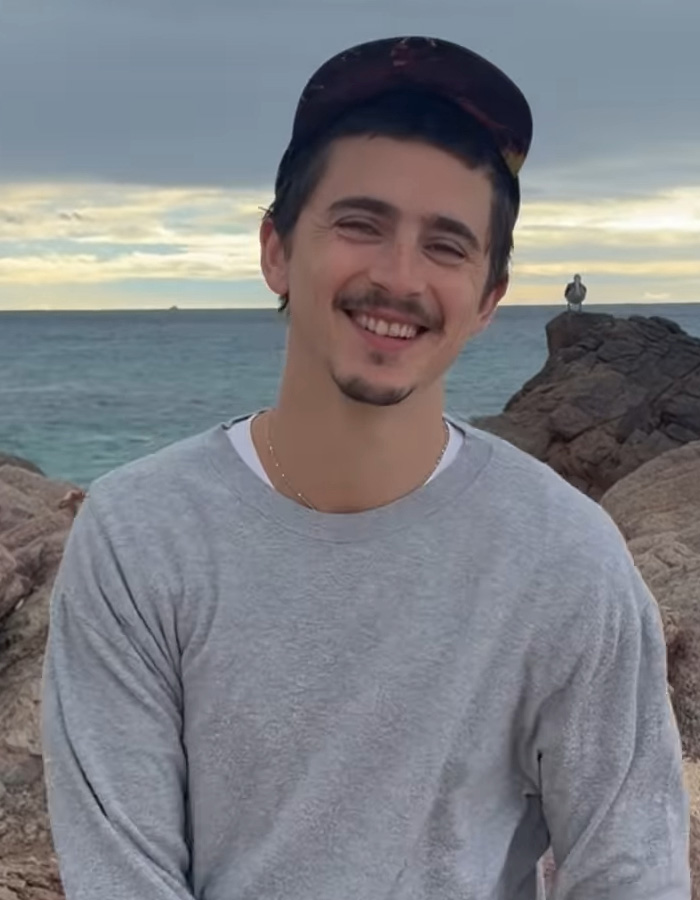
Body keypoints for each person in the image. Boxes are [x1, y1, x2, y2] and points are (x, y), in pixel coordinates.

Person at [41, 36, 690, 900]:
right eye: (361, 225)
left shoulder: (565, 556)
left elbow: (629, 867)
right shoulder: (141, 537)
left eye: (448, 246)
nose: (397, 276)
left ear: (490, 299)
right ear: (276, 249)